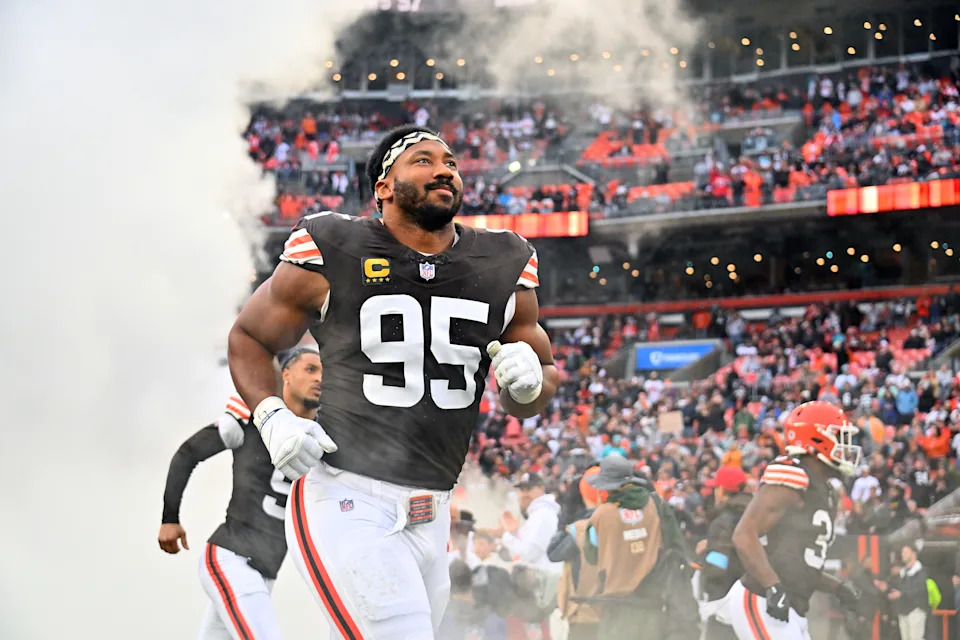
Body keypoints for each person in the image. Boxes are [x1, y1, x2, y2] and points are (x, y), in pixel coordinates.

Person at [227, 124, 559, 639]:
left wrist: (529, 384)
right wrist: (272, 416)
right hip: (349, 495)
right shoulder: (334, 245)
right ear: (383, 187)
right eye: (423, 160)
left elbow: (536, 394)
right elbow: (249, 336)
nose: (444, 168)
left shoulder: (503, 260)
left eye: (450, 160)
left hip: (436, 510)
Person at [157, 347, 322, 640]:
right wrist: (170, 518)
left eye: (324, 371)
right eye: (311, 369)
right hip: (232, 556)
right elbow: (188, 452)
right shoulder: (253, 418)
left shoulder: (326, 433)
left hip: (266, 571)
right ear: (285, 374)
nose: (320, 378)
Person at [728, 401, 863, 640]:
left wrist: (838, 587)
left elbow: (798, 565)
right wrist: (772, 587)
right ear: (817, 437)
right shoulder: (793, 475)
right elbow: (744, 534)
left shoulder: (824, 489)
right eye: (839, 436)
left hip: (791, 608)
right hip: (761, 598)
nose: (845, 446)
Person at [696, 465, 751, 639]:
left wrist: (705, 556)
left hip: (725, 602)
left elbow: (717, 564)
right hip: (751, 598)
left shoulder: (723, 520)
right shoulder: (754, 514)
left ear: (722, 490)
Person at [875, 544, 929, 640]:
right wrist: (886, 589)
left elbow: (919, 590)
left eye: (905, 552)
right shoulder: (903, 573)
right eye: (902, 552)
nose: (902, 555)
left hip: (916, 609)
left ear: (914, 554)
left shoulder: (921, 571)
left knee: (915, 637)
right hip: (903, 610)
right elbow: (897, 588)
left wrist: (901, 594)